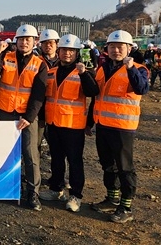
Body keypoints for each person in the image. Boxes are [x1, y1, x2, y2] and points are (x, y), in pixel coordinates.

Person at [88, 30, 149, 224]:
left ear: (129, 48)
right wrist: (89, 123)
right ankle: (112, 198)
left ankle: (126, 206)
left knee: (125, 167)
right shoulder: (102, 69)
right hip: (103, 125)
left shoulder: (139, 69)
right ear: (107, 48)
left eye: (120, 46)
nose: (116, 50)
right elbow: (96, 97)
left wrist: (130, 69)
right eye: (112, 46)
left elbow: (142, 88)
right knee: (107, 164)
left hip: (123, 127)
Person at [0, 24, 48, 211]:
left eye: (28, 39)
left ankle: (33, 192)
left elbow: (39, 95)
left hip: (26, 116)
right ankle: (7, 188)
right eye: (21, 39)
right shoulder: (6, 57)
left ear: (34, 42)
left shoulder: (39, 64)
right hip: (6, 111)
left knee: (30, 154)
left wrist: (29, 117)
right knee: (6, 152)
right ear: (16, 41)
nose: (24, 43)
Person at [39, 35, 99, 213]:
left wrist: (84, 74)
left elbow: (92, 92)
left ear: (77, 53)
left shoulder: (83, 72)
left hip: (73, 125)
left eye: (71, 50)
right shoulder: (52, 72)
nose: (67, 53)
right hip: (54, 123)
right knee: (56, 159)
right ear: (59, 51)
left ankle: (75, 195)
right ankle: (56, 189)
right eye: (64, 50)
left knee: (74, 161)